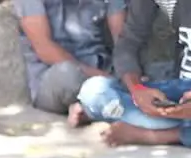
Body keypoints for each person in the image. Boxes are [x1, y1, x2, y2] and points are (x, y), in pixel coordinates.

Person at [76, 0, 191, 146]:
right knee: (94, 90)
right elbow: (128, 43)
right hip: (181, 89)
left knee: (108, 104)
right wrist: (138, 89)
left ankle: (156, 134)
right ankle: (176, 125)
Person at [11, 0, 126, 121]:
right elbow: (45, 49)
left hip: (102, 67)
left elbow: (123, 41)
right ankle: (103, 101)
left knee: (138, 72)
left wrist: (128, 74)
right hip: (55, 79)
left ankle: (92, 108)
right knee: (68, 75)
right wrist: (106, 80)